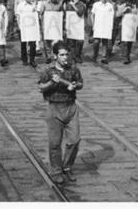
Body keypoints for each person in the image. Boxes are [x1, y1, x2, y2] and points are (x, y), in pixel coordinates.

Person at [38, 41, 84, 185]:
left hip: (71, 108)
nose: (65, 57)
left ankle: (67, 166)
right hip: (55, 109)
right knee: (55, 143)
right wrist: (52, 82)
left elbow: (81, 83)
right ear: (55, 56)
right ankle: (56, 171)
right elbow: (41, 87)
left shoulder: (73, 68)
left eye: (66, 54)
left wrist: (75, 85)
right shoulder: (48, 70)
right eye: (62, 55)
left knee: (74, 140)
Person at [16, 0, 39, 67]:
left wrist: (35, 5)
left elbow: (36, 15)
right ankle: (24, 59)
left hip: (32, 27)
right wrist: (19, 26)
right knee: (23, 44)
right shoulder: (20, 5)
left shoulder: (33, 5)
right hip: (24, 27)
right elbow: (18, 16)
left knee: (33, 44)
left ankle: (32, 59)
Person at [91, 0, 114, 64]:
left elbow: (112, 16)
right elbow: (92, 15)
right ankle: (95, 55)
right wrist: (93, 24)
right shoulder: (96, 5)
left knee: (105, 42)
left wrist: (111, 26)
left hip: (106, 26)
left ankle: (104, 57)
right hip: (98, 25)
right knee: (96, 42)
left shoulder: (110, 5)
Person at [64, 0, 86, 64]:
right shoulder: (68, 5)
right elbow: (66, 15)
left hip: (79, 26)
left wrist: (73, 6)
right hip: (71, 26)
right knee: (71, 43)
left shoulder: (82, 4)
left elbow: (80, 13)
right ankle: (73, 57)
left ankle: (78, 55)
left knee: (79, 42)